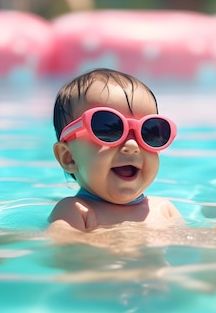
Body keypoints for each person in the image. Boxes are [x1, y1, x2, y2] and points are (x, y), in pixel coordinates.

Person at [48, 68, 185, 238]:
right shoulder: (75, 211)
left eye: (149, 132)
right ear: (68, 157)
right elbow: (67, 251)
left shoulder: (165, 209)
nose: (132, 145)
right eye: (108, 129)